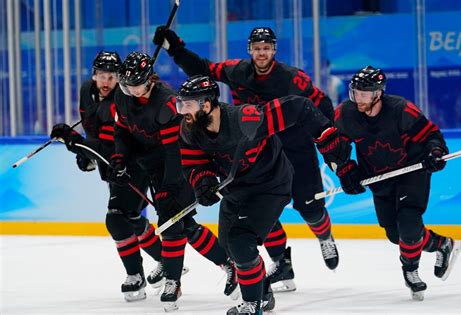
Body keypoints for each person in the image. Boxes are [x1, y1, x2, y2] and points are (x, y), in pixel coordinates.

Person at [154, 25, 339, 292]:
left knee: (310, 207)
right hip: (254, 147)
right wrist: (177, 50)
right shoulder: (236, 70)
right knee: (257, 208)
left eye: (266, 48)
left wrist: (328, 138)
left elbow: (318, 103)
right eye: (257, 48)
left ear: (274, 50)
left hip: (294, 147)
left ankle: (325, 236)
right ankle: (280, 262)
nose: (261, 53)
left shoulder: (293, 78)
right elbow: (203, 71)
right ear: (250, 50)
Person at [176, 76, 351, 314]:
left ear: (206, 105)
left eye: (188, 105)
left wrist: (327, 139)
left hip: (270, 186)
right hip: (236, 191)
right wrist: (203, 182)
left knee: (241, 241)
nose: (182, 111)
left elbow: (298, 107)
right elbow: (194, 164)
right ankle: (264, 294)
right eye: (181, 104)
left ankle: (252, 305)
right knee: (231, 249)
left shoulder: (246, 119)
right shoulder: (190, 130)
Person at [110, 51, 238, 311]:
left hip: (178, 163)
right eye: (127, 84)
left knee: (172, 223)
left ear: (149, 81)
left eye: (135, 85)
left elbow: (174, 151)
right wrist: (119, 159)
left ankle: (172, 280)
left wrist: (169, 188)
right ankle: (225, 264)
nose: (131, 90)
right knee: (183, 225)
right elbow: (122, 130)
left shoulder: (167, 103)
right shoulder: (122, 95)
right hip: (148, 163)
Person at [332, 65, 461, 301]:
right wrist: (345, 170)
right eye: (355, 93)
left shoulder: (402, 110)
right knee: (395, 235)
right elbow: (336, 148)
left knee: (409, 222)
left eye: (364, 94)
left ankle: (410, 271)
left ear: (378, 93)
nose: (358, 99)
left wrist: (435, 152)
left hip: (411, 171)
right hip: (379, 176)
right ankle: (442, 244)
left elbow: (432, 136)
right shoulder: (346, 114)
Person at [49, 51, 166, 302]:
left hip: (132, 162)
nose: (106, 81)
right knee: (131, 218)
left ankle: (135, 276)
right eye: (102, 75)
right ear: (93, 75)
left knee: (116, 217)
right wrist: (84, 153)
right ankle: (166, 258)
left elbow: (116, 142)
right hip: (110, 162)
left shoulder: (124, 98)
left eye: (112, 76)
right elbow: (92, 127)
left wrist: (76, 143)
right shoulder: (86, 90)